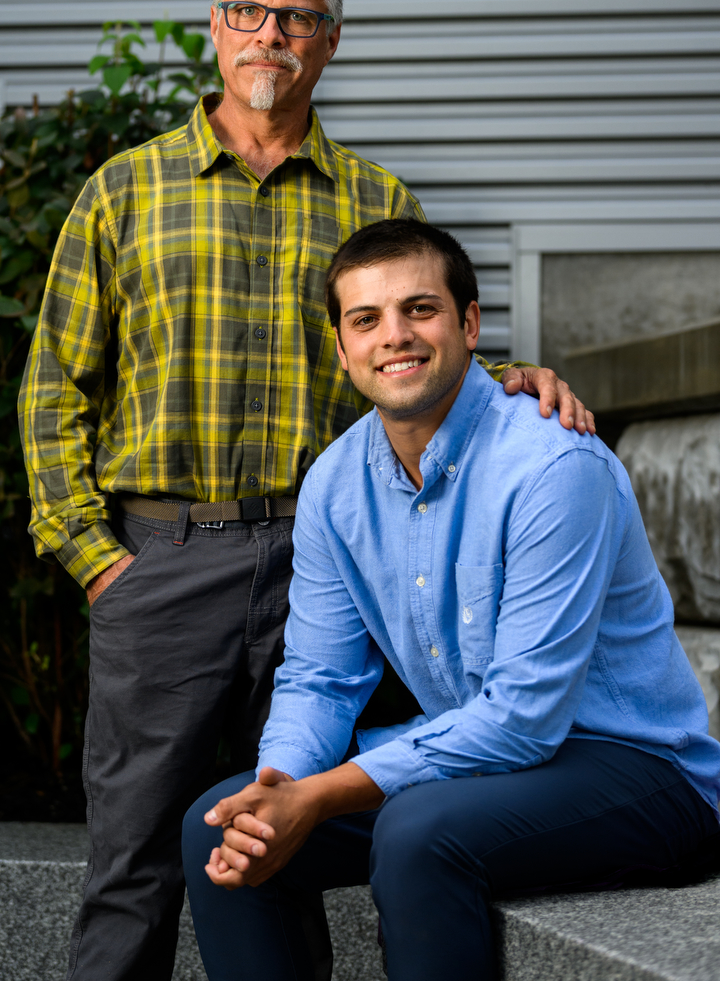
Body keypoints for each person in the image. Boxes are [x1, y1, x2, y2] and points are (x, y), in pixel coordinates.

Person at [19, 0, 592, 981]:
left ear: (329, 41)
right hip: (161, 565)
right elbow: (53, 388)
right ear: (215, 26)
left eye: (297, 17)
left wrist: (520, 380)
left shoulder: (376, 202)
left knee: (307, 836)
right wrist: (97, 561)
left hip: (337, 571)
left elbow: (422, 351)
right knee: (134, 859)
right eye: (249, 11)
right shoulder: (122, 193)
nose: (269, 35)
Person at [183, 219, 720, 981]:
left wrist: (321, 797)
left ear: (469, 324)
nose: (394, 336)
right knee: (222, 824)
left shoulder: (553, 466)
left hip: (638, 771)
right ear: (342, 350)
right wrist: (283, 787)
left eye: (420, 309)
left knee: (417, 831)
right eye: (365, 320)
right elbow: (320, 679)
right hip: (483, 764)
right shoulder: (336, 485)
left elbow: (524, 719)